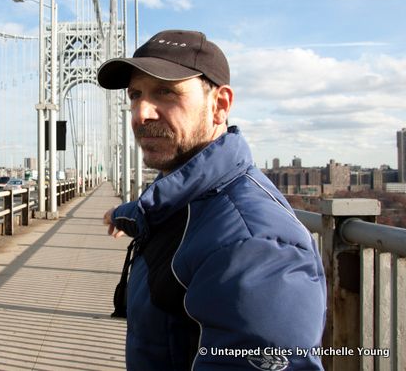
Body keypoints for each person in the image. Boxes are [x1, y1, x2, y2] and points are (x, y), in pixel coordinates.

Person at [98, 30, 326, 370]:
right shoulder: (186, 200)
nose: (141, 112)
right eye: (135, 94)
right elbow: (161, 213)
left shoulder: (254, 248)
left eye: (166, 92)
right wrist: (122, 214)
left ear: (219, 106)